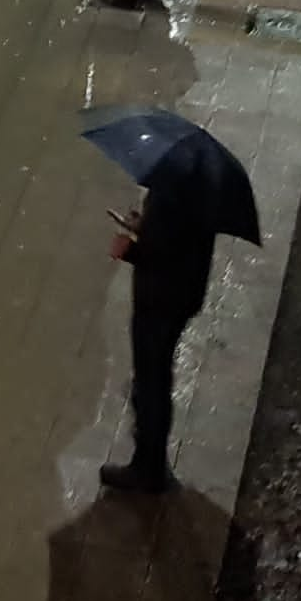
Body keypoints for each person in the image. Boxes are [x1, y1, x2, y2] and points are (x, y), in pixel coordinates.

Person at [99, 182, 217, 494]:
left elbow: (163, 256)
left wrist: (129, 249)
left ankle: (148, 469)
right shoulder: (196, 190)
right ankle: (150, 454)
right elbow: (178, 243)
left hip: (161, 303)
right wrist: (143, 226)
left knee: (152, 381)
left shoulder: (170, 195)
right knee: (154, 377)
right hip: (182, 296)